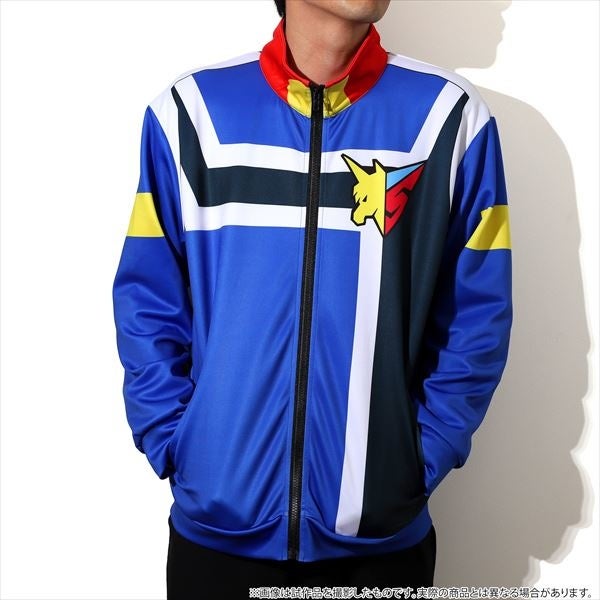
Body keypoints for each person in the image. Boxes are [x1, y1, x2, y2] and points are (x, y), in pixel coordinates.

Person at [112, 0, 512, 597]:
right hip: (218, 536)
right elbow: (149, 297)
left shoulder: (448, 120)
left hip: (380, 544)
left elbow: (477, 314)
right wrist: (177, 443)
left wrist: (415, 460)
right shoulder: (192, 114)